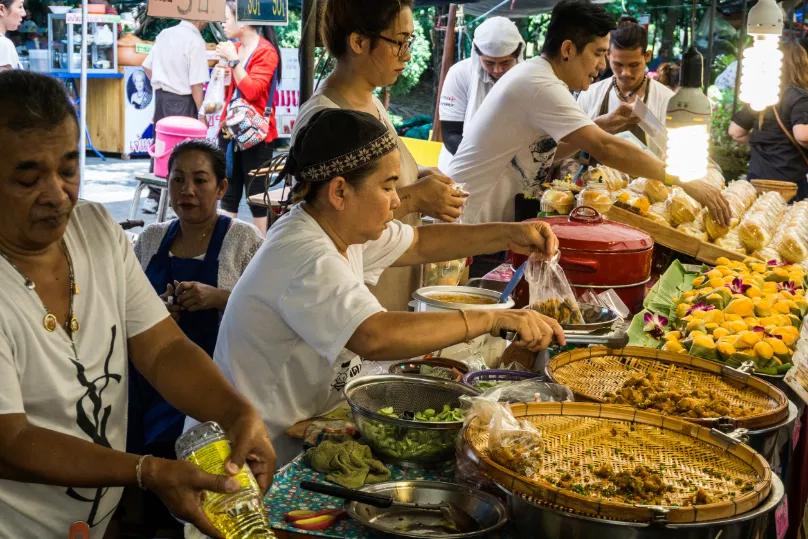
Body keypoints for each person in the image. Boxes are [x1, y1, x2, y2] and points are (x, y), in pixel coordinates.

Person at [0, 71, 275, 538]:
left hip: (93, 522)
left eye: (68, 170)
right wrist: (146, 472)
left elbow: (163, 349)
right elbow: (11, 441)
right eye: (29, 179)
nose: (57, 194)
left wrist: (236, 413)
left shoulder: (96, 231)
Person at [210, 108, 565, 467]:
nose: (398, 201)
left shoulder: (338, 226)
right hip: (254, 458)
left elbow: (418, 244)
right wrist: (491, 319)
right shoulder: (306, 255)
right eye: (388, 186)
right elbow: (374, 336)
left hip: (302, 433)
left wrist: (510, 233)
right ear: (339, 191)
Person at [446, 0, 730, 226]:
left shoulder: (540, 77)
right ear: (568, 49)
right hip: (465, 223)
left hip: (484, 224)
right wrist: (683, 180)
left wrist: (606, 122)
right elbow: (605, 148)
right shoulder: (539, 84)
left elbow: (548, 150)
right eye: (598, 53)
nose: (602, 66)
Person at [295, 0, 467, 311]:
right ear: (358, 41)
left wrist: (418, 173)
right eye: (399, 42)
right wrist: (416, 197)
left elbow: (372, 179)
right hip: (357, 298)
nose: (408, 54)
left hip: (392, 280)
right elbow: (328, 220)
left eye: (409, 42)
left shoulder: (369, 101)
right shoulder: (327, 117)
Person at [130, 140, 264, 535]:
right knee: (147, 480)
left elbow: (264, 314)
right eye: (178, 180)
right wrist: (155, 308)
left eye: (200, 180)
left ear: (222, 188)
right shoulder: (151, 239)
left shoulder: (243, 240)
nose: (187, 191)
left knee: (200, 490)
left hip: (211, 385)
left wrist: (219, 298)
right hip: (149, 387)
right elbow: (126, 305)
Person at [216, 1, 282, 236]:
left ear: (242, 21)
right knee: (227, 194)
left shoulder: (266, 52)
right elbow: (231, 94)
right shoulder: (234, 47)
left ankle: (260, 250)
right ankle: (222, 249)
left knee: (257, 197)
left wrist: (234, 62)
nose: (223, 23)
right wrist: (223, 73)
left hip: (257, 136)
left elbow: (253, 91)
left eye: (227, 18)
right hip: (229, 132)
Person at [576, 16, 675, 156]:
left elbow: (676, 156)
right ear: (608, 55)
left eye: (634, 65)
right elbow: (572, 151)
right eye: (618, 64)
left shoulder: (667, 101)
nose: (625, 73)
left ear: (647, 56)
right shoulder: (590, 94)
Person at [437, 16, 525, 170]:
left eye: (506, 63)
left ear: (518, 55)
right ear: (477, 55)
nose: (497, 70)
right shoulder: (459, 74)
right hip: (462, 165)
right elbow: (451, 134)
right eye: (489, 63)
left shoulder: (529, 79)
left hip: (514, 169)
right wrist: (489, 162)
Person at [142, 19, 210, 214]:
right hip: (182, 99)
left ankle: (154, 197)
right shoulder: (195, 40)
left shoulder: (165, 33)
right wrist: (202, 112)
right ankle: (174, 201)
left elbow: (147, 66)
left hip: (161, 98)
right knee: (181, 151)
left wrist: (163, 82)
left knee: (161, 146)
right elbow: (196, 84)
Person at [729, 42, 808, 201]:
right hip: (789, 184)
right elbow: (802, 135)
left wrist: (762, 144)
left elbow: (735, 132)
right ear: (802, 66)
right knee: (787, 224)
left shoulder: (762, 94)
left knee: (756, 223)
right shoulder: (800, 97)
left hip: (756, 177)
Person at [0, 0, 23, 70]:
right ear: (1, 9)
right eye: (20, 7)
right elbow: (5, 80)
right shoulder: (3, 44)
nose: (24, 13)